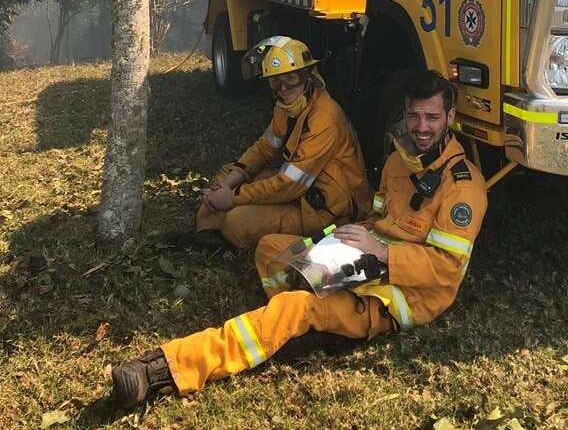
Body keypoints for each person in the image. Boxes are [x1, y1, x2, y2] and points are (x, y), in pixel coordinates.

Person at [111, 70, 488, 408]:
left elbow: (446, 271)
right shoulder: (397, 162)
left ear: (450, 118)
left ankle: (166, 368)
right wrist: (335, 242)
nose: (421, 127)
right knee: (271, 249)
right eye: (414, 116)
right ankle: (310, 324)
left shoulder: (463, 189)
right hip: (362, 264)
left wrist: (382, 254)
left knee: (295, 308)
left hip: (398, 297)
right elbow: (377, 217)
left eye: (432, 117)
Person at [191, 36, 370, 251]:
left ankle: (223, 229)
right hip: (298, 191)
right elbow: (264, 148)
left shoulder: (325, 118)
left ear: (306, 75)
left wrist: (235, 198)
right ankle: (207, 234)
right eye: (275, 81)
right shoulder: (287, 106)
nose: (283, 88)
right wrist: (230, 183)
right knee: (224, 175)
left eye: (291, 78)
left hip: (327, 209)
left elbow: (290, 184)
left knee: (237, 223)